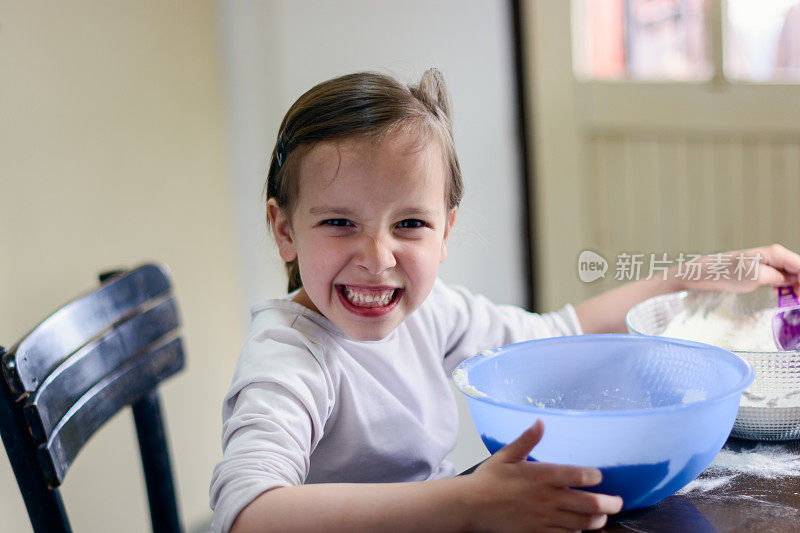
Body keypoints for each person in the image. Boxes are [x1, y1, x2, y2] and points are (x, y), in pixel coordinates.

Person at [209, 68, 800, 533]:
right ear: (283, 229)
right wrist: (465, 502)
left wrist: (696, 277)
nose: (378, 256)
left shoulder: (431, 313)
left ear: (445, 232)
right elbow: (248, 514)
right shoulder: (289, 358)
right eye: (340, 222)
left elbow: (559, 334)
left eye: (410, 223)